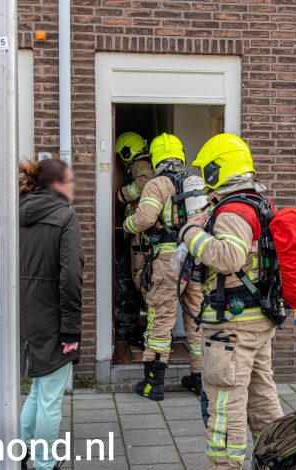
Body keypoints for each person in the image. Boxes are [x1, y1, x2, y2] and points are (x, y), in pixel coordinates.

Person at [178, 133, 283, 469]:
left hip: (232, 329)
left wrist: (190, 232)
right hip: (256, 322)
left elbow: (228, 258)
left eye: (205, 169)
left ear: (217, 168)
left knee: (225, 407)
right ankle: (278, 461)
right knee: (263, 400)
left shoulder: (233, 210)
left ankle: (226, 466)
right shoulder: (258, 202)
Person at [122, 133, 204, 400]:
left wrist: (127, 225)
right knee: (197, 318)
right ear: (181, 155)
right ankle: (200, 379)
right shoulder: (195, 182)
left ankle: (153, 383)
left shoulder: (157, 184)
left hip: (168, 261)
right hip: (196, 258)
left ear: (156, 157)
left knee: (160, 317)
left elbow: (144, 219)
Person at [18, 158, 84, 470]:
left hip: (25, 316)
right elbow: (70, 277)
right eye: (69, 181)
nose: (72, 187)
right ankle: (44, 464)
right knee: (50, 399)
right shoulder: (65, 217)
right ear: (56, 185)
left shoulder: (15, 213)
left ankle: (19, 453)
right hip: (52, 318)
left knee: (38, 389)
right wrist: (71, 329)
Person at [115, 132, 154, 314]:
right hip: (138, 231)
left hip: (141, 233)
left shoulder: (140, 165)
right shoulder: (140, 164)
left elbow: (145, 182)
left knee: (141, 276)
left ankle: (150, 320)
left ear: (127, 152)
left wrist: (121, 195)